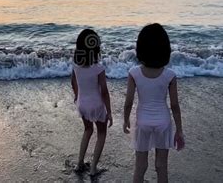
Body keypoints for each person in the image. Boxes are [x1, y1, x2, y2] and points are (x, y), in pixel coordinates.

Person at [123, 23, 185, 183]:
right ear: (165, 49)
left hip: (142, 121)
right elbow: (175, 106)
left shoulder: (134, 73)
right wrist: (179, 129)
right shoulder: (169, 75)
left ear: (140, 48)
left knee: (140, 166)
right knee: (161, 166)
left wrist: (125, 120)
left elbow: (128, 101)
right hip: (163, 122)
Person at [71, 29, 113, 177]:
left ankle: (79, 163)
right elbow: (104, 92)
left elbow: (73, 82)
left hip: (82, 104)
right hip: (96, 105)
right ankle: (94, 168)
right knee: (101, 132)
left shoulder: (76, 65)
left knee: (87, 130)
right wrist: (109, 111)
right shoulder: (98, 68)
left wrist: (77, 96)